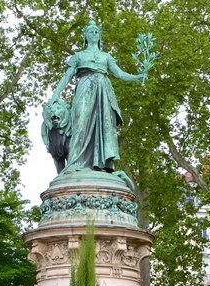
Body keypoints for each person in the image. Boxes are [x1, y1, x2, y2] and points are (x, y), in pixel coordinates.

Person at [47, 20, 146, 174]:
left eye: (96, 31)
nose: (94, 33)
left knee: (105, 124)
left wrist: (138, 77)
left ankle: (102, 163)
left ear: (99, 36)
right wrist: (55, 94)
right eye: (90, 31)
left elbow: (119, 73)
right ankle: (75, 161)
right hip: (85, 85)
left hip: (103, 89)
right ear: (85, 35)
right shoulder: (79, 56)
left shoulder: (106, 56)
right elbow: (67, 76)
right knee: (80, 121)